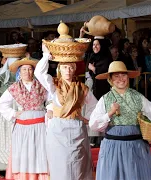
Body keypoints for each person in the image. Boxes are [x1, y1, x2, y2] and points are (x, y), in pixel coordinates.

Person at [90, 61, 151, 180]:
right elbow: (93, 124)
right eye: (116, 76)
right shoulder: (105, 99)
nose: (121, 79)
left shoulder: (137, 97)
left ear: (128, 77)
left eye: (123, 75)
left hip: (136, 147)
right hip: (113, 148)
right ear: (110, 79)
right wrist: (109, 113)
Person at [34, 41, 98, 180]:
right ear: (59, 69)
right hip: (58, 129)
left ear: (74, 69)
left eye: (70, 67)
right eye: (64, 68)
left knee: (78, 164)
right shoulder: (53, 84)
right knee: (59, 164)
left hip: (77, 128)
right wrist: (46, 56)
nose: (67, 71)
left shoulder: (81, 87)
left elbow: (95, 106)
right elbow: (39, 73)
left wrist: (86, 119)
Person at [0, 57, 51, 180]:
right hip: (22, 125)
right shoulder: (14, 87)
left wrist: (49, 109)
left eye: (29, 69)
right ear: (19, 72)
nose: (27, 72)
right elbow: (3, 103)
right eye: (24, 69)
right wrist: (13, 113)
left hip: (40, 124)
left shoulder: (42, 85)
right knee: (24, 152)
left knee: (40, 150)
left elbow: (51, 99)